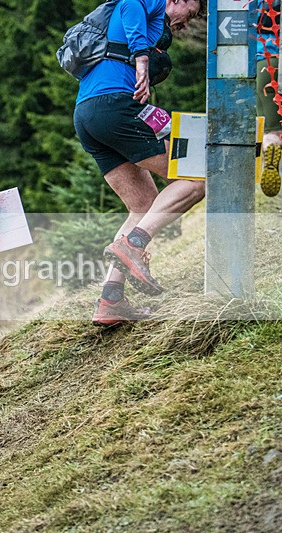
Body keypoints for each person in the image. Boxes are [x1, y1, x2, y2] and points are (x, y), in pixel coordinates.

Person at [72, 0, 205, 326]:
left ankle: (110, 300)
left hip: (87, 113)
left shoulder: (147, 21)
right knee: (198, 176)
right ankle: (134, 245)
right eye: (190, 13)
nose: (187, 24)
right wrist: (142, 60)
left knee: (142, 205)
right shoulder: (150, 4)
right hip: (115, 105)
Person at [257, 0, 282, 197]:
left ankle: (269, 146)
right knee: (274, 124)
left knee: (267, 125)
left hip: (261, 60)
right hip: (275, 58)